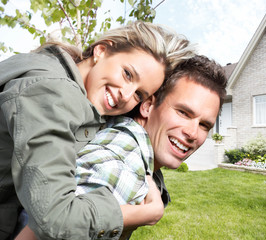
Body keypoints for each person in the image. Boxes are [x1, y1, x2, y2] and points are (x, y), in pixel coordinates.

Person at [0, 21, 195, 240]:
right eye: (127, 74)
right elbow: (54, 218)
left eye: (139, 95)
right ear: (101, 50)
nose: (126, 95)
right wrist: (142, 214)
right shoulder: (53, 93)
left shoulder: (69, 83)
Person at [78, 55, 228, 239]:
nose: (193, 133)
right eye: (183, 112)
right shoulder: (122, 169)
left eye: (204, 125)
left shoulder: (133, 150)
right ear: (148, 106)